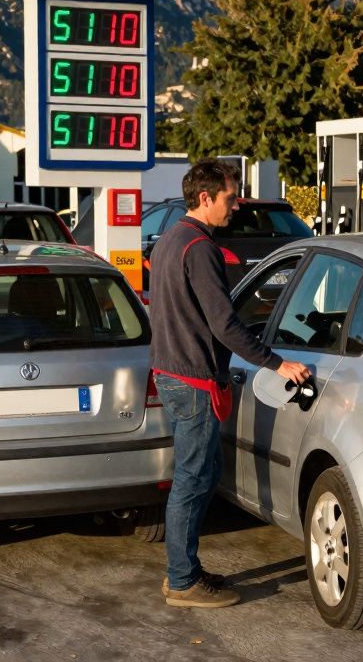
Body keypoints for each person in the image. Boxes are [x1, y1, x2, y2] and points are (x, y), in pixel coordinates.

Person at [149, 159, 311, 609]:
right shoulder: (199, 248)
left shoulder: (169, 240)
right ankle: (182, 581)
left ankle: (184, 571)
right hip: (192, 379)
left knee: (196, 475)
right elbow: (225, 325)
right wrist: (276, 363)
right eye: (230, 197)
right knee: (193, 479)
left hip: (171, 373)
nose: (235, 206)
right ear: (206, 198)